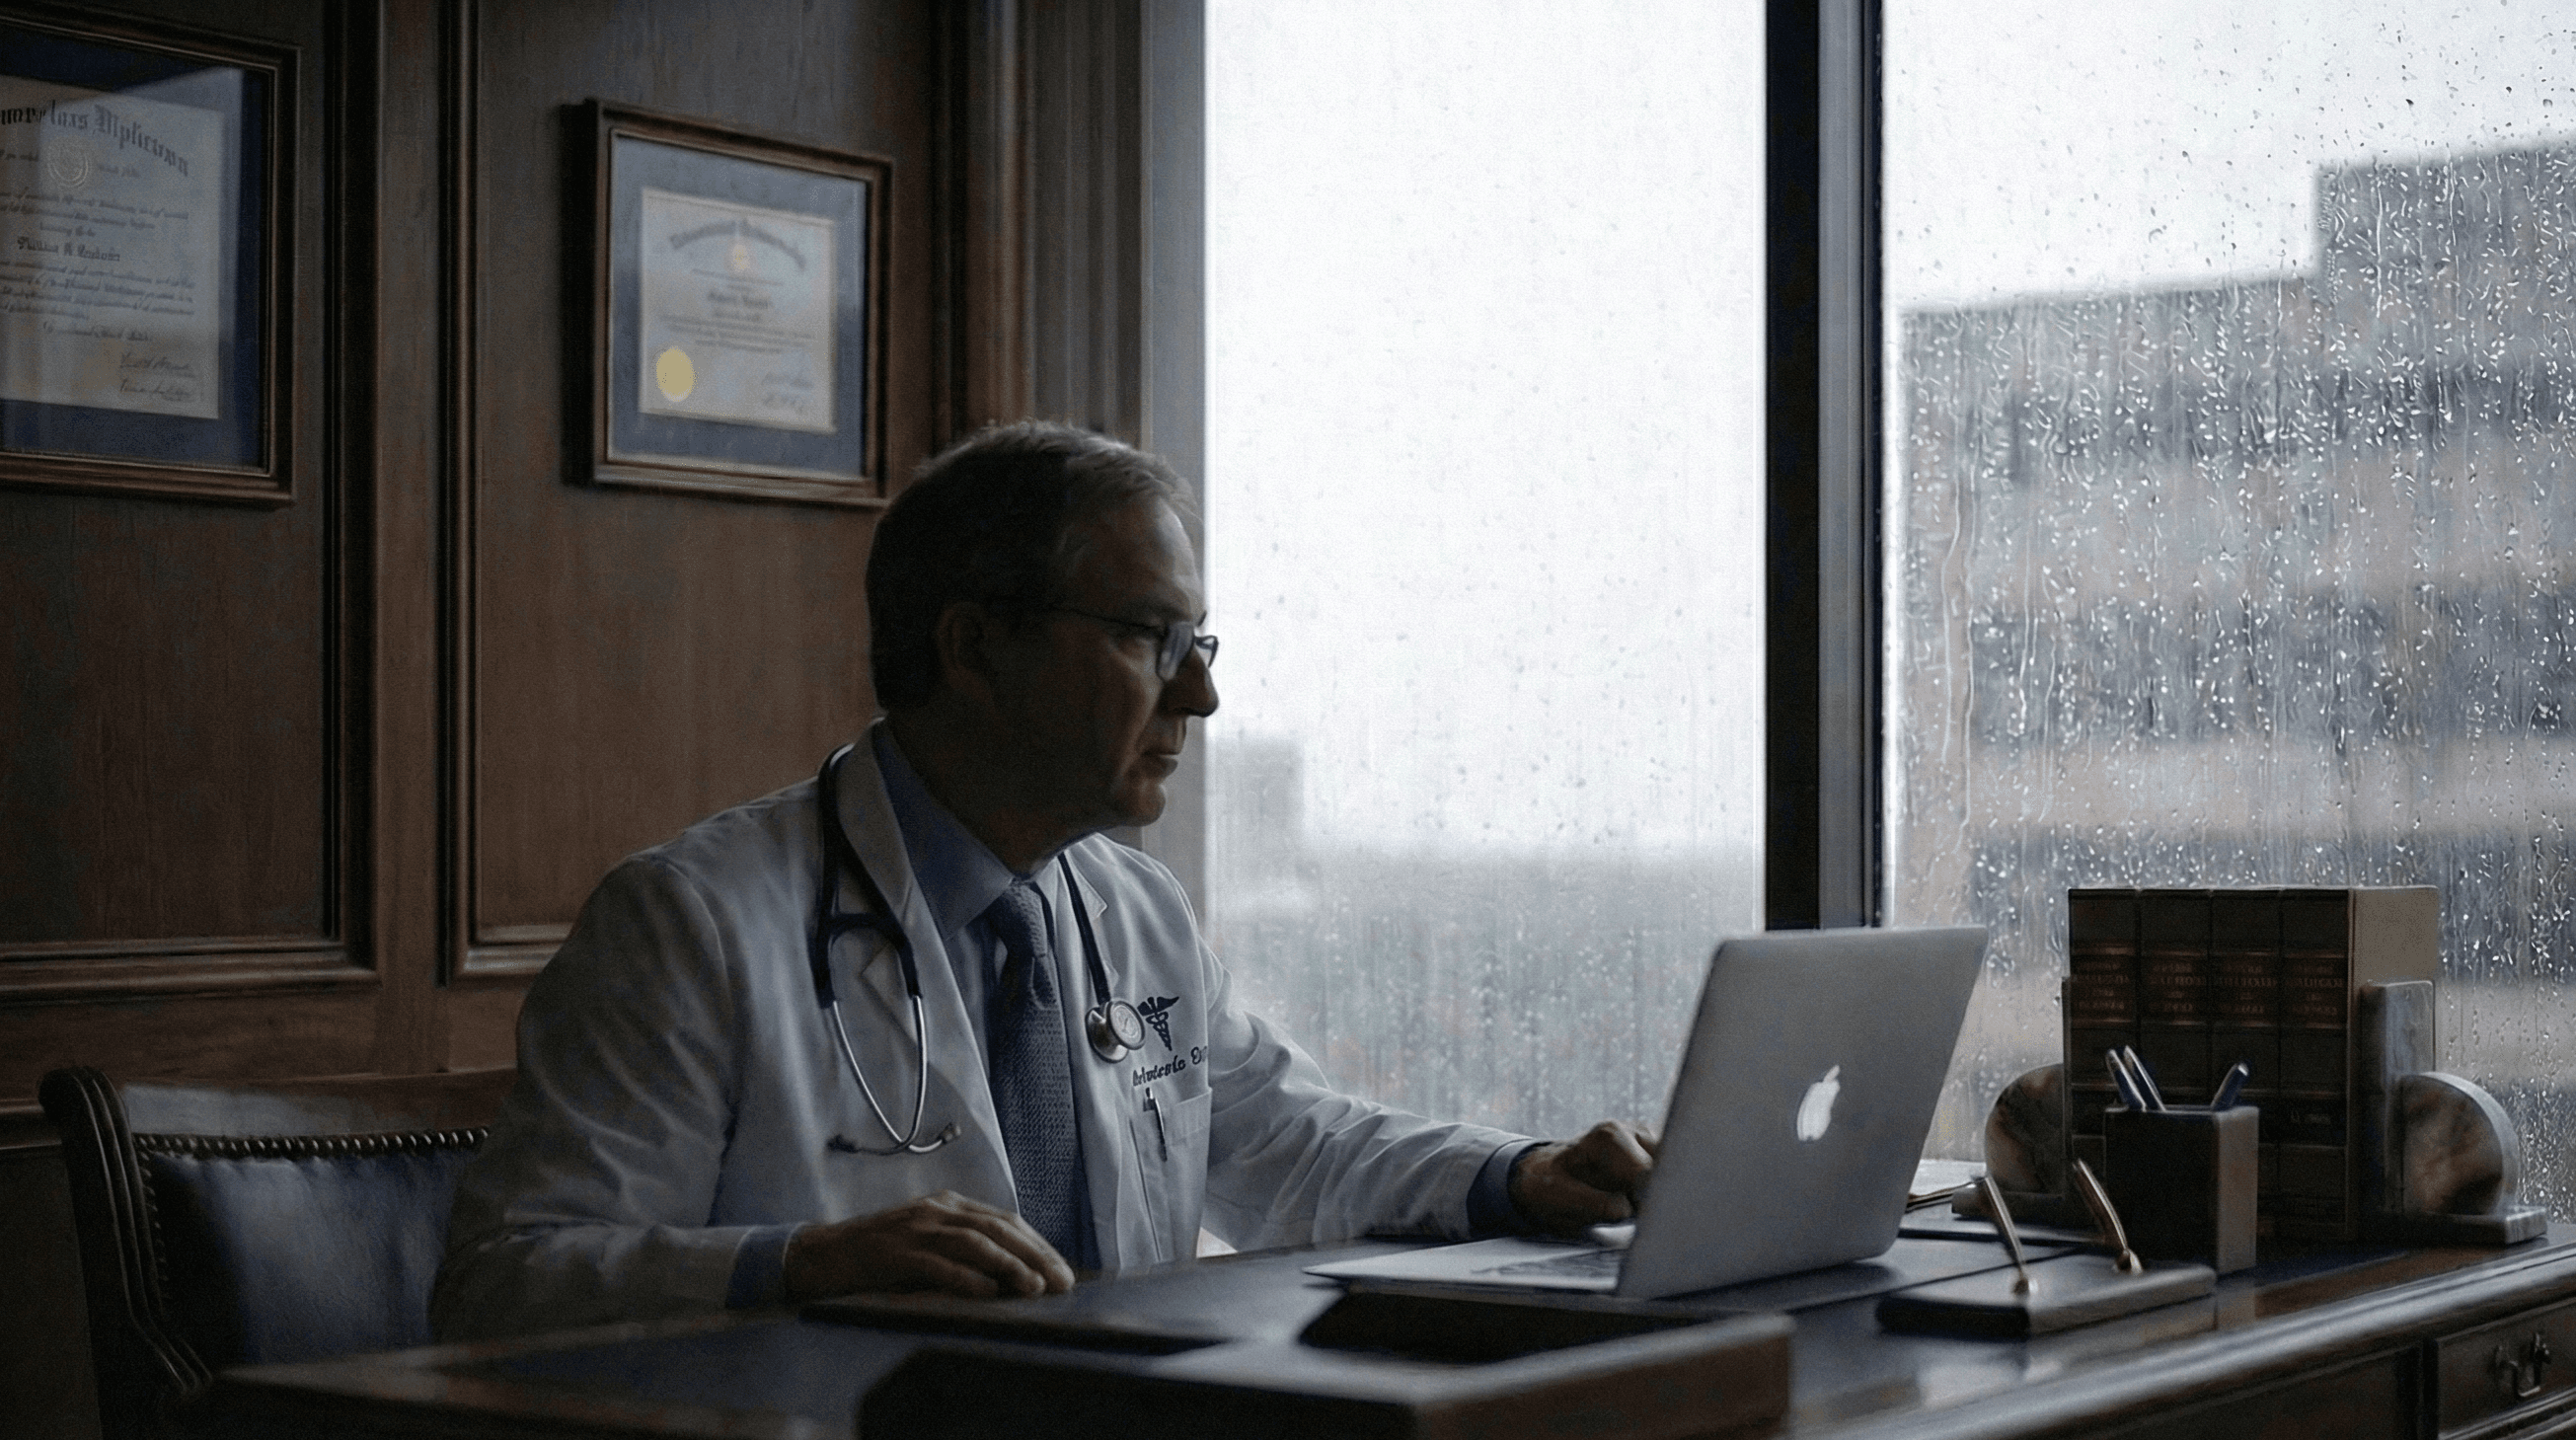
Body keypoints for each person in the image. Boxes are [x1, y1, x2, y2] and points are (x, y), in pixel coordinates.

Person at [432, 420, 1658, 1339]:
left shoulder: (1133, 908)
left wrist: (1516, 1176)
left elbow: (1288, 1145)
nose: (1201, 696)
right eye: (1147, 639)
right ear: (974, 647)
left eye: (1197, 644)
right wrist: (795, 1265)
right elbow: (503, 1280)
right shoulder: (690, 922)